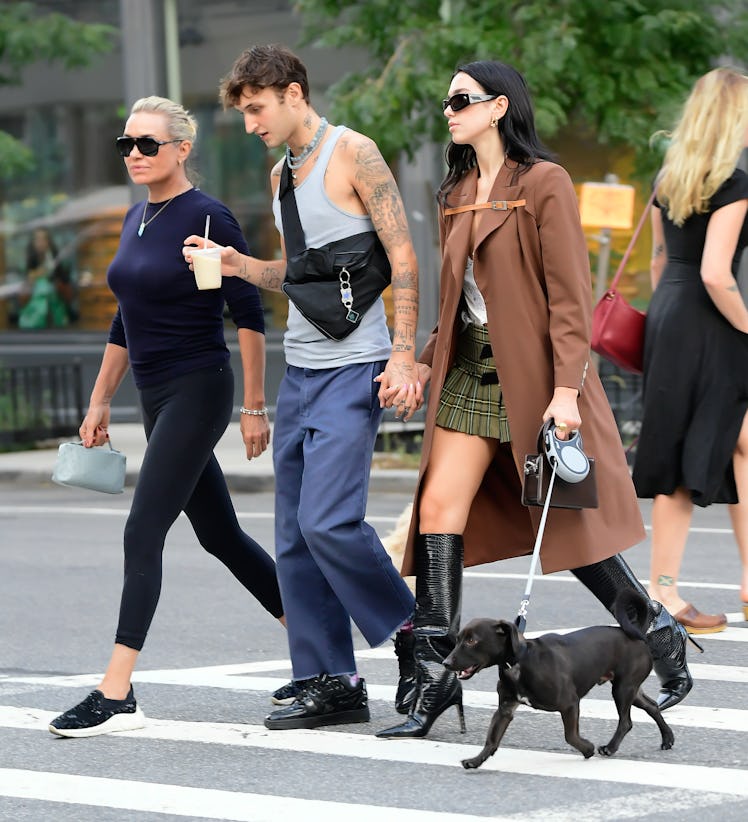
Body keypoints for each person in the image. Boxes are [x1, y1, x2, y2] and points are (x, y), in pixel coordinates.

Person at [376, 60, 693, 740]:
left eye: (460, 99)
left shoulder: (543, 183)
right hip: (470, 373)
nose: (448, 110)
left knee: (570, 532)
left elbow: (570, 298)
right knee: (437, 512)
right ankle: (436, 682)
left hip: (535, 379)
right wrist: (420, 363)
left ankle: (654, 630)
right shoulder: (456, 189)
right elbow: (455, 300)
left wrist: (566, 391)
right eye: (446, 100)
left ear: (498, 108)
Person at [183, 44, 417, 730]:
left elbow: (402, 253)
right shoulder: (282, 171)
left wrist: (402, 356)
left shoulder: (355, 152)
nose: (251, 121)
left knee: (328, 521)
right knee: (292, 535)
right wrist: (234, 264)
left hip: (357, 364)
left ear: (291, 93)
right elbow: (305, 276)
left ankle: (419, 637)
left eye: (257, 108)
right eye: (245, 111)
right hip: (303, 367)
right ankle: (329, 679)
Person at [48, 96, 284, 738]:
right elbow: (123, 321)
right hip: (154, 396)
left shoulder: (208, 216)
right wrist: (99, 402)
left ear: (182, 148)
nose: (134, 155)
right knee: (220, 536)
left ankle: (116, 691)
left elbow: (248, 314)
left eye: (148, 144)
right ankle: (313, 639)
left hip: (199, 388)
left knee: (142, 528)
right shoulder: (134, 219)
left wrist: (253, 406)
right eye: (126, 144)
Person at [633, 68, 748, 633]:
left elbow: (660, 263)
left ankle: (740, 583)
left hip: (669, 315)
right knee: (685, 459)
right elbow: (717, 274)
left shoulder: (669, 175)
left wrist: (667, 328)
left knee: (743, 442)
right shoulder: (735, 181)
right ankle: (665, 592)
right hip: (710, 323)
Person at [17, 228, 76, 328]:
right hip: (32, 324)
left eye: (44, 239)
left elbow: (69, 297)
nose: (41, 243)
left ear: (49, 242)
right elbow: (21, 301)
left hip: (57, 323)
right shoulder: (27, 269)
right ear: (33, 243)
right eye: (37, 239)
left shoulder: (57, 267)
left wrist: (58, 282)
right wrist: (31, 280)